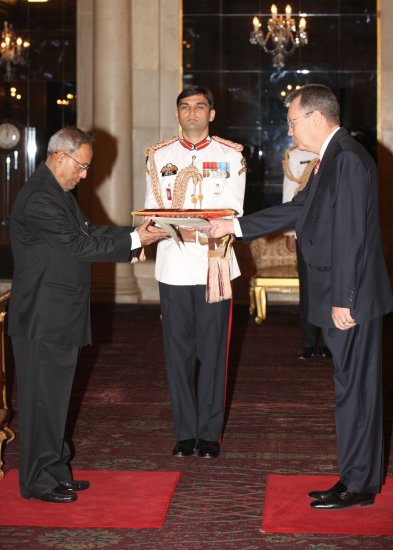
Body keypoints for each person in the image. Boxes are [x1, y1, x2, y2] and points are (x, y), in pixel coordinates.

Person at [202, 84, 393, 509]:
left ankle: (358, 484)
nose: (288, 131)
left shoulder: (345, 159)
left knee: (356, 391)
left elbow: (351, 238)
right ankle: (357, 477)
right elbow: (298, 209)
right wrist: (232, 226)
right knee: (351, 388)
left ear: (316, 118)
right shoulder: (332, 159)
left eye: (291, 122)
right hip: (345, 295)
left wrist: (343, 299)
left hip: (352, 298)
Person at [8, 127, 168, 503]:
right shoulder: (39, 199)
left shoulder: (56, 192)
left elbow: (85, 230)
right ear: (61, 156)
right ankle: (36, 480)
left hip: (58, 314)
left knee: (56, 399)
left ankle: (55, 469)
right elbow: (79, 245)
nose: (84, 175)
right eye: (82, 166)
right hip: (41, 319)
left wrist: (132, 233)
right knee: (40, 403)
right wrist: (134, 241)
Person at [144, 86, 246, 458]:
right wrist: (163, 225)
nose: (192, 113)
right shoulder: (159, 156)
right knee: (178, 353)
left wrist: (191, 225)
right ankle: (185, 433)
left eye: (200, 106)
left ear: (211, 114)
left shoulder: (230, 156)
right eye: (185, 107)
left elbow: (232, 211)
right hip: (173, 265)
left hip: (213, 264)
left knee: (214, 352)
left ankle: (209, 434)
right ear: (177, 115)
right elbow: (151, 210)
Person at [282, 145, 331, 359]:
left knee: (331, 288)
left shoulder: (333, 150)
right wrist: (291, 233)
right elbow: (289, 194)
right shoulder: (295, 155)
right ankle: (309, 344)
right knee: (308, 289)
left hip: (332, 231)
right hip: (307, 230)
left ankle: (330, 344)